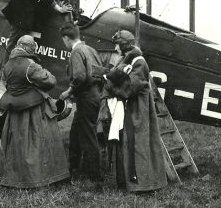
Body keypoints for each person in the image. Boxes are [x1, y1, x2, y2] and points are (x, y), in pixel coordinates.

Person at [0, 35, 70, 188]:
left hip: (14, 111)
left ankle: (14, 179)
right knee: (38, 142)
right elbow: (50, 81)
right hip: (33, 109)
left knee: (17, 144)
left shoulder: (7, 64)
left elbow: (5, 83)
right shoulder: (31, 65)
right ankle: (38, 178)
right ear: (30, 48)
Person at [103, 30, 168, 192]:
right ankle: (129, 181)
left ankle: (145, 183)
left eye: (117, 45)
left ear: (124, 45)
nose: (115, 48)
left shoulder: (139, 62)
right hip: (130, 108)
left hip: (138, 109)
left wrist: (108, 82)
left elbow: (128, 89)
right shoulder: (128, 60)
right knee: (129, 143)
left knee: (139, 144)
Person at [58, 24, 103, 181]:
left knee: (89, 137)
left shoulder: (76, 51)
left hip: (86, 99)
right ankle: (73, 168)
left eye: (63, 40)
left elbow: (79, 77)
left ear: (66, 38)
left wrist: (68, 92)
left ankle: (95, 177)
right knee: (75, 133)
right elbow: (101, 72)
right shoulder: (90, 50)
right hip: (95, 97)